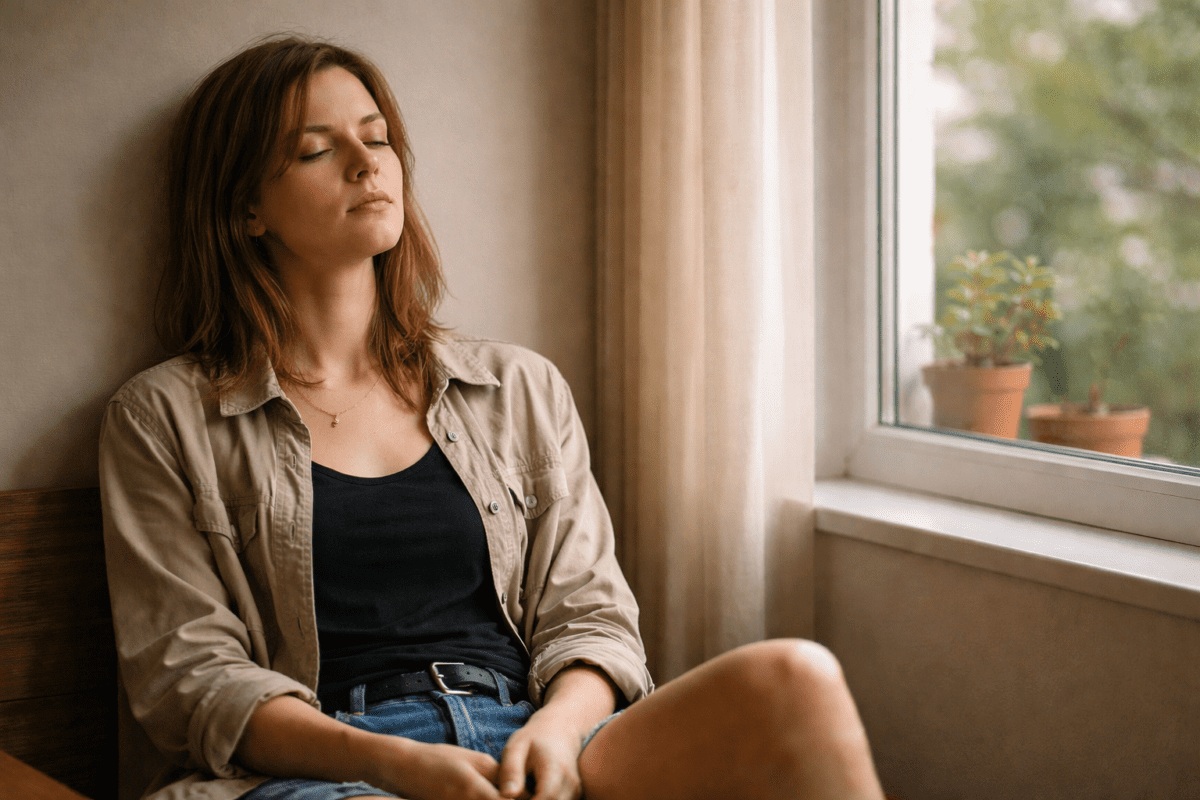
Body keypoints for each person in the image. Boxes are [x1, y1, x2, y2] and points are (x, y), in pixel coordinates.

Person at [99, 35, 886, 800]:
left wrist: (558, 732)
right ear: (246, 208)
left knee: (795, 678)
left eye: (377, 137)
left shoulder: (517, 389)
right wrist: (399, 767)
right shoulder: (164, 418)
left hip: (537, 732)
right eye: (315, 150)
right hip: (330, 766)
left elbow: (591, 617)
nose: (366, 163)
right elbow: (196, 683)